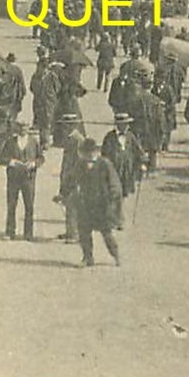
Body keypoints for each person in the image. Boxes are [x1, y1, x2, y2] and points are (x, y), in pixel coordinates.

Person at [73, 138, 123, 267]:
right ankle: (87, 257)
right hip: (85, 203)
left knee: (106, 233)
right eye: (86, 152)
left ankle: (116, 255)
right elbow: (72, 180)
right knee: (84, 232)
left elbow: (114, 183)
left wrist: (112, 198)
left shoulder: (105, 164)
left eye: (91, 152)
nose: (89, 155)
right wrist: (63, 193)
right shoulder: (80, 164)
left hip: (102, 204)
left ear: (96, 151)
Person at [0, 119, 44, 241]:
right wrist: (12, 162)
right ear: (17, 128)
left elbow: (41, 158)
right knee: (11, 205)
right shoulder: (11, 142)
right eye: (21, 127)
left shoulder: (33, 142)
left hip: (28, 179)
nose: (23, 129)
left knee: (29, 206)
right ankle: (10, 232)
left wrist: (34, 164)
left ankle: (28, 233)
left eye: (25, 127)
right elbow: (1, 158)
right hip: (13, 178)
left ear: (28, 128)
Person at [102, 112, 146, 217]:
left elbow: (139, 151)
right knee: (114, 193)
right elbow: (104, 154)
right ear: (117, 125)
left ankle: (117, 216)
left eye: (127, 124)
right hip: (113, 170)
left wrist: (142, 164)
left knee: (123, 193)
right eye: (123, 124)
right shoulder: (109, 137)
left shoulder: (130, 136)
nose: (126, 126)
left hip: (126, 170)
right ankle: (116, 217)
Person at [54, 113, 87, 243]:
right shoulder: (69, 138)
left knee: (74, 206)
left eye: (66, 125)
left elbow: (81, 162)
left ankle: (75, 234)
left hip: (75, 178)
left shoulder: (77, 139)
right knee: (68, 204)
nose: (64, 128)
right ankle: (69, 231)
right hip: (68, 176)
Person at [31, 61, 58, 151]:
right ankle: (42, 140)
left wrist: (50, 95)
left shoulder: (52, 76)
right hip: (38, 101)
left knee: (47, 121)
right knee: (40, 120)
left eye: (43, 68)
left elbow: (57, 88)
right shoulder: (35, 76)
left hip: (48, 101)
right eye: (39, 67)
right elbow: (31, 87)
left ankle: (45, 142)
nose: (40, 69)